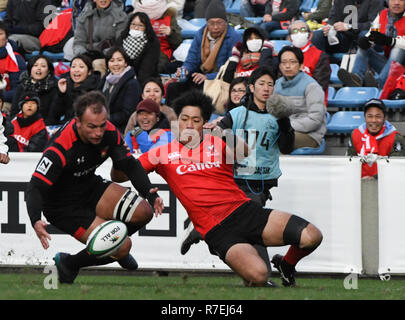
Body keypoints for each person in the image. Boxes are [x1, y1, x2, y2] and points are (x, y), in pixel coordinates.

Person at [112, 90, 322, 287]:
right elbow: (121, 175)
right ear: (177, 121)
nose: (189, 125)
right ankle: (214, 243)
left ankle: (286, 264)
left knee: (312, 237)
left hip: (245, 211)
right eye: (185, 119)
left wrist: (224, 133)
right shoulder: (162, 153)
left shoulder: (217, 142)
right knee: (258, 276)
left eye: (196, 120)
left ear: (204, 123)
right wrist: (119, 158)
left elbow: (244, 152)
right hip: (217, 230)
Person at [26, 90, 164, 284]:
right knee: (124, 246)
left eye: (101, 125)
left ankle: (74, 261)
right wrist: (35, 219)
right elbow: (35, 187)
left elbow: (129, 164)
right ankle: (72, 264)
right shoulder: (60, 148)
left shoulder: (108, 131)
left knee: (144, 211)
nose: (98, 132)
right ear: (78, 122)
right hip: (63, 206)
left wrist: (150, 193)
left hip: (89, 186)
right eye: (91, 127)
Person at [181, 67, 295, 282]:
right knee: (255, 230)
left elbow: (287, 147)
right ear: (251, 88)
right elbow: (216, 140)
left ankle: (199, 230)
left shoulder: (278, 116)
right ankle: (259, 276)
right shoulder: (236, 114)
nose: (266, 88)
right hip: (238, 180)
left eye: (270, 84)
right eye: (261, 84)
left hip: (262, 182)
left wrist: (286, 123)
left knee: (240, 228)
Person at [165, 0, 241, 107]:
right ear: (207, 23)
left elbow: (230, 69)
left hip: (220, 80)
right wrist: (185, 69)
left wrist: (208, 77)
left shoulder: (233, 37)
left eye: (219, 23)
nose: (215, 27)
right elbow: (191, 60)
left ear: (225, 22)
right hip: (201, 76)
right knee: (173, 88)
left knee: (197, 92)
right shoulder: (201, 33)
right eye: (211, 23)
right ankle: (172, 119)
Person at [337, 0, 405, 89]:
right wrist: (367, 40)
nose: (396, 3)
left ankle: (380, 83)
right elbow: (372, 34)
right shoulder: (382, 14)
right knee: (363, 47)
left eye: (401, 0)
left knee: (398, 50)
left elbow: (393, 42)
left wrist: (389, 41)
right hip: (389, 67)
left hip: (402, 69)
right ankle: (357, 78)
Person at [274, 46, 326, 149]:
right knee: (254, 137)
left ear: (301, 65)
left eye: (292, 62)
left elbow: (315, 120)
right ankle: (241, 164)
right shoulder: (277, 85)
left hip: (309, 135)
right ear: (280, 66)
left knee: (274, 142)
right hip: (282, 132)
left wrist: (285, 127)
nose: (287, 66)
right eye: (284, 63)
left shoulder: (312, 86)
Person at [347, 98, 405, 178]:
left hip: (386, 184)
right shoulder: (355, 135)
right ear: (365, 118)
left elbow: (395, 168)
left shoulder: (396, 138)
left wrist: (373, 179)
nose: (373, 120)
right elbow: (350, 163)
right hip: (359, 183)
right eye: (370, 116)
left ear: (384, 118)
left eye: (378, 116)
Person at [311, 0, 384, 55]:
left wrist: (350, 26)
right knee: (317, 36)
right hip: (343, 36)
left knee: (366, 35)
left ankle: (364, 69)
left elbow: (374, 24)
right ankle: (324, 64)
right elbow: (333, 17)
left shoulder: (376, 1)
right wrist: (329, 26)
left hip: (360, 36)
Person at [48, 54, 101, 125]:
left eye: (81, 67)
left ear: (89, 72)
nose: (76, 70)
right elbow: (54, 117)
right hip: (66, 125)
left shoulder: (95, 88)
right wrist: (61, 94)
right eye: (73, 67)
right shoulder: (66, 84)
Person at [98, 46, 141, 134]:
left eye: (119, 60)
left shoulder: (132, 84)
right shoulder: (105, 80)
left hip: (121, 130)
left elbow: (127, 114)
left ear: (125, 63)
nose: (116, 64)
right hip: (102, 125)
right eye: (112, 61)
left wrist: (103, 120)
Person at [133, 0, 183, 74]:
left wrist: (171, 33)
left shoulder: (169, 16)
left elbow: (178, 43)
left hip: (161, 53)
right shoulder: (135, 17)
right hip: (138, 50)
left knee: (151, 67)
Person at [287, 21, 331, 104]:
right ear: (289, 38)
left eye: (303, 30)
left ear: (310, 35)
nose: (299, 33)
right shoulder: (284, 56)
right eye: (295, 31)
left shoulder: (320, 56)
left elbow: (319, 86)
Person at [10, 55, 57, 124]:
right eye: (35, 65)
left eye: (43, 66)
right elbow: (14, 112)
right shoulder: (22, 86)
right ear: (30, 69)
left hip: (43, 125)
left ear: (49, 70)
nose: (39, 68)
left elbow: (52, 117)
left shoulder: (54, 88)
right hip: (21, 124)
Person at [118, 12, 161, 85]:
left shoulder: (152, 41)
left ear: (146, 27)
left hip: (145, 78)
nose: (136, 28)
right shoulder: (122, 37)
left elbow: (147, 68)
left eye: (140, 25)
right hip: (122, 75)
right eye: (133, 24)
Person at [0, 21, 26, 108]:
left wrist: (2, 97)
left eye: (0, 34)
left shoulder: (16, 59)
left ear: (6, 38)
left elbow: (19, 89)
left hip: (7, 102)